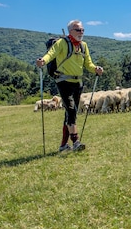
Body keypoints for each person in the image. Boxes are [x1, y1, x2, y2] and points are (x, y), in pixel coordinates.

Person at [36, 20, 103, 152]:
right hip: (63, 81)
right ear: (70, 31)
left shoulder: (83, 45)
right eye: (78, 30)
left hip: (78, 83)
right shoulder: (62, 43)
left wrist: (96, 69)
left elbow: (88, 64)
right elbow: (51, 54)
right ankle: (76, 141)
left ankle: (63, 145)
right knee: (71, 110)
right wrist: (43, 61)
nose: (81, 32)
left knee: (70, 114)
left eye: (83, 30)